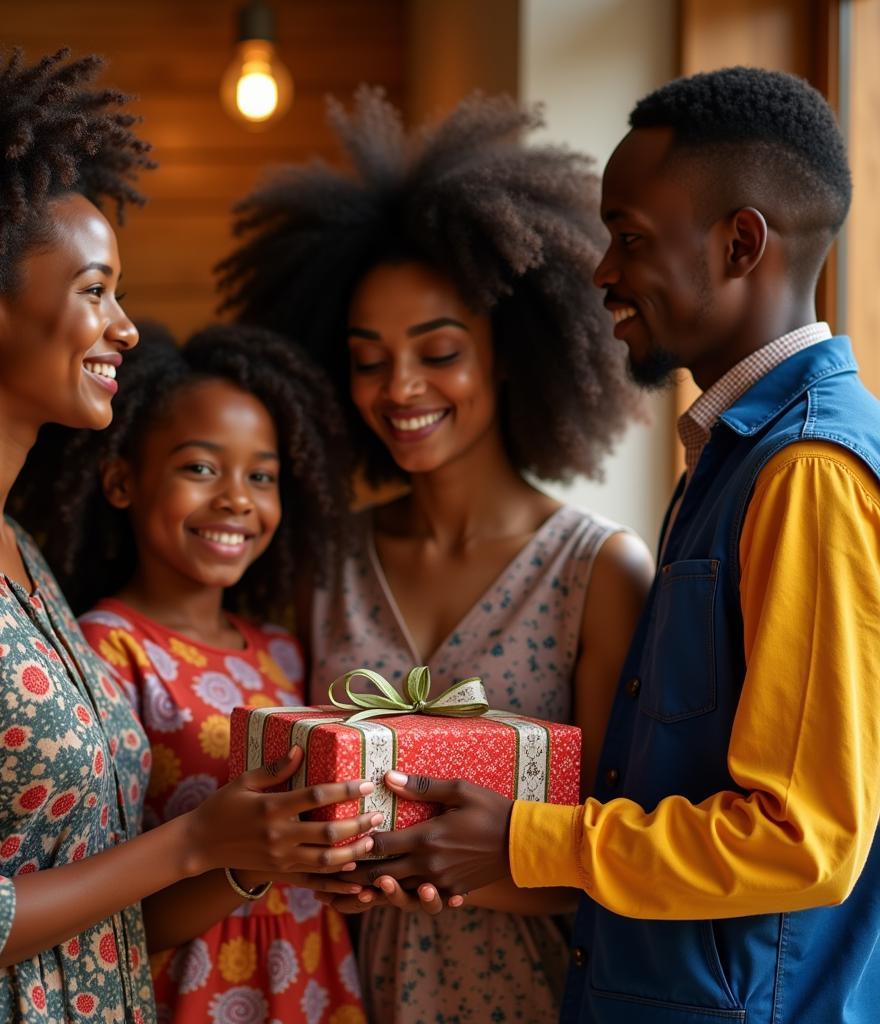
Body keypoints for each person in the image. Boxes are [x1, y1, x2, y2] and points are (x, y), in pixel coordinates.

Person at [334, 67, 880, 1024]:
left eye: (629, 239)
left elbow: (805, 842)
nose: (602, 272)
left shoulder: (806, 474)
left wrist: (529, 841)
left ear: (740, 243)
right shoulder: (735, 461)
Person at [0, 44, 379, 1023]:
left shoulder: (16, 554)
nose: (126, 327)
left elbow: (90, 920)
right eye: (96, 290)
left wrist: (244, 853)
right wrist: (190, 841)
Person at [218, 87, 654, 1023]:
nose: (400, 387)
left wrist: (453, 869)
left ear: (511, 352)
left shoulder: (598, 573)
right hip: (342, 996)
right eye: (368, 358)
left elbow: (623, 863)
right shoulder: (323, 560)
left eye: (438, 350)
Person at [16, 322, 368, 1023]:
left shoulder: (284, 650)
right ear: (121, 480)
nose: (238, 497)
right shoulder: (105, 650)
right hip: (189, 984)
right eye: (201, 468)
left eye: (261, 475)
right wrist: (248, 862)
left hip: (314, 980)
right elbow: (106, 905)